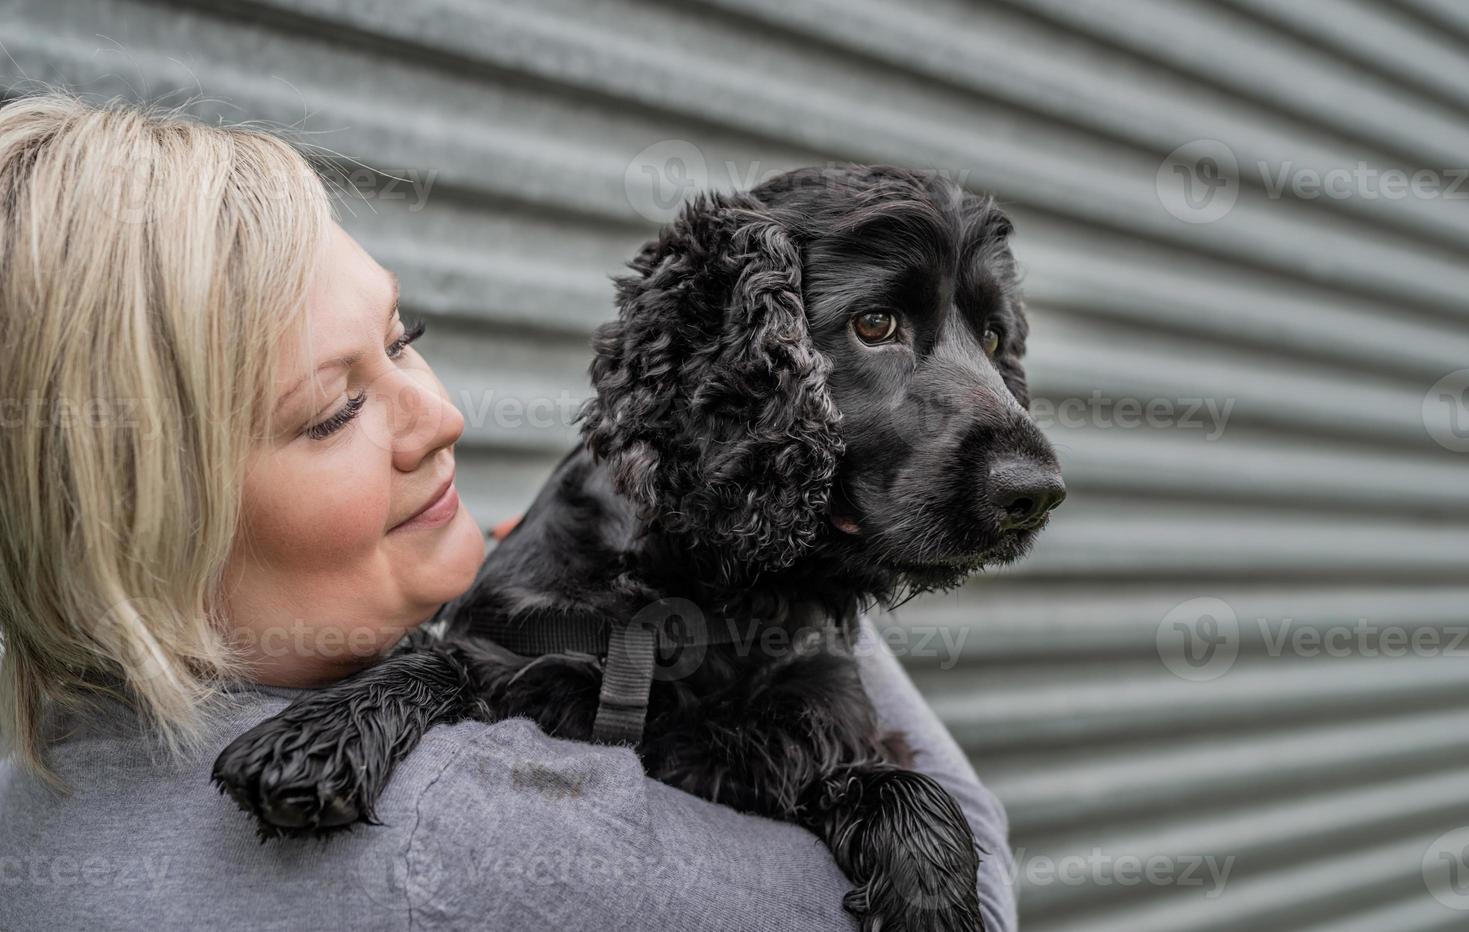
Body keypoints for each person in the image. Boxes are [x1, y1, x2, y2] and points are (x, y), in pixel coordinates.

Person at [0, 91, 1018, 931]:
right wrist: (747, 509)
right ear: (139, 516)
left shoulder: (29, 804)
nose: (441, 416)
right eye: (334, 411)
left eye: (404, 338)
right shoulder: (480, 844)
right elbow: (968, 893)